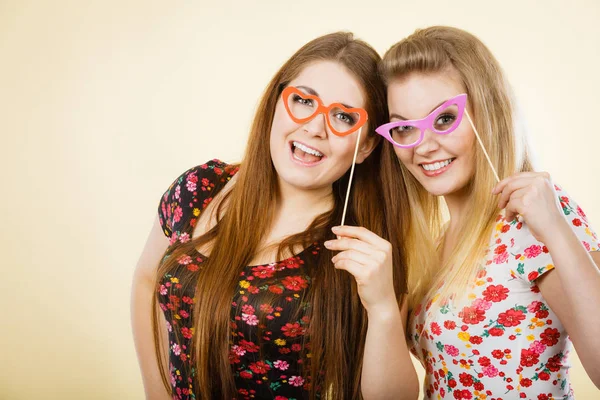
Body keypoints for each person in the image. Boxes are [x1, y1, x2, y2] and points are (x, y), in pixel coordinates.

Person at [131, 32, 418, 400]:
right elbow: (145, 279)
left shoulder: (363, 250)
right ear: (276, 104)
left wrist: (382, 311)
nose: (315, 127)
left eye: (343, 116)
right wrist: (156, 393)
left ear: (365, 146)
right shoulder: (199, 188)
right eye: (303, 100)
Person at [375, 26, 600, 399]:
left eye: (444, 119)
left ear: (489, 110)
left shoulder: (535, 217)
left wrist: (556, 229)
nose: (424, 146)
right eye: (403, 128)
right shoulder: (437, 242)